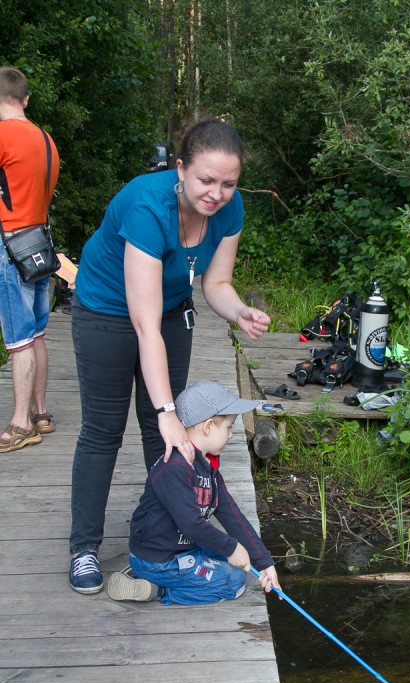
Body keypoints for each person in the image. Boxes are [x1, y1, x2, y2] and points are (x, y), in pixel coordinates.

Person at [69, 118, 270, 594]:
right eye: (205, 180)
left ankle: (161, 541)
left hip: (171, 308)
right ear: (181, 168)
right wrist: (166, 411)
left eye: (228, 183)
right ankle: (83, 549)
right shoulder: (145, 205)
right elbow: (143, 323)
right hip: (107, 309)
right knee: (105, 428)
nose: (216, 193)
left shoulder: (229, 208)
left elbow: (215, 283)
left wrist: (238, 310)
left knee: (169, 440)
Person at [107, 380, 280, 604]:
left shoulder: (208, 468)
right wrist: (232, 547)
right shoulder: (175, 468)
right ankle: (156, 589)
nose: (230, 435)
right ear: (208, 426)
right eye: (228, 427)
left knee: (239, 563)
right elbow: (191, 524)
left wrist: (263, 561)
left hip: (182, 551)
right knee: (234, 582)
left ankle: (154, 578)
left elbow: (232, 515)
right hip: (159, 558)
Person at [0, 67, 60, 453]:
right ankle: (40, 412)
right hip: (40, 241)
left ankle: (21, 424)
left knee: (19, 338)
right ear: (25, 98)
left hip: (9, 246)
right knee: (37, 332)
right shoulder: (46, 139)